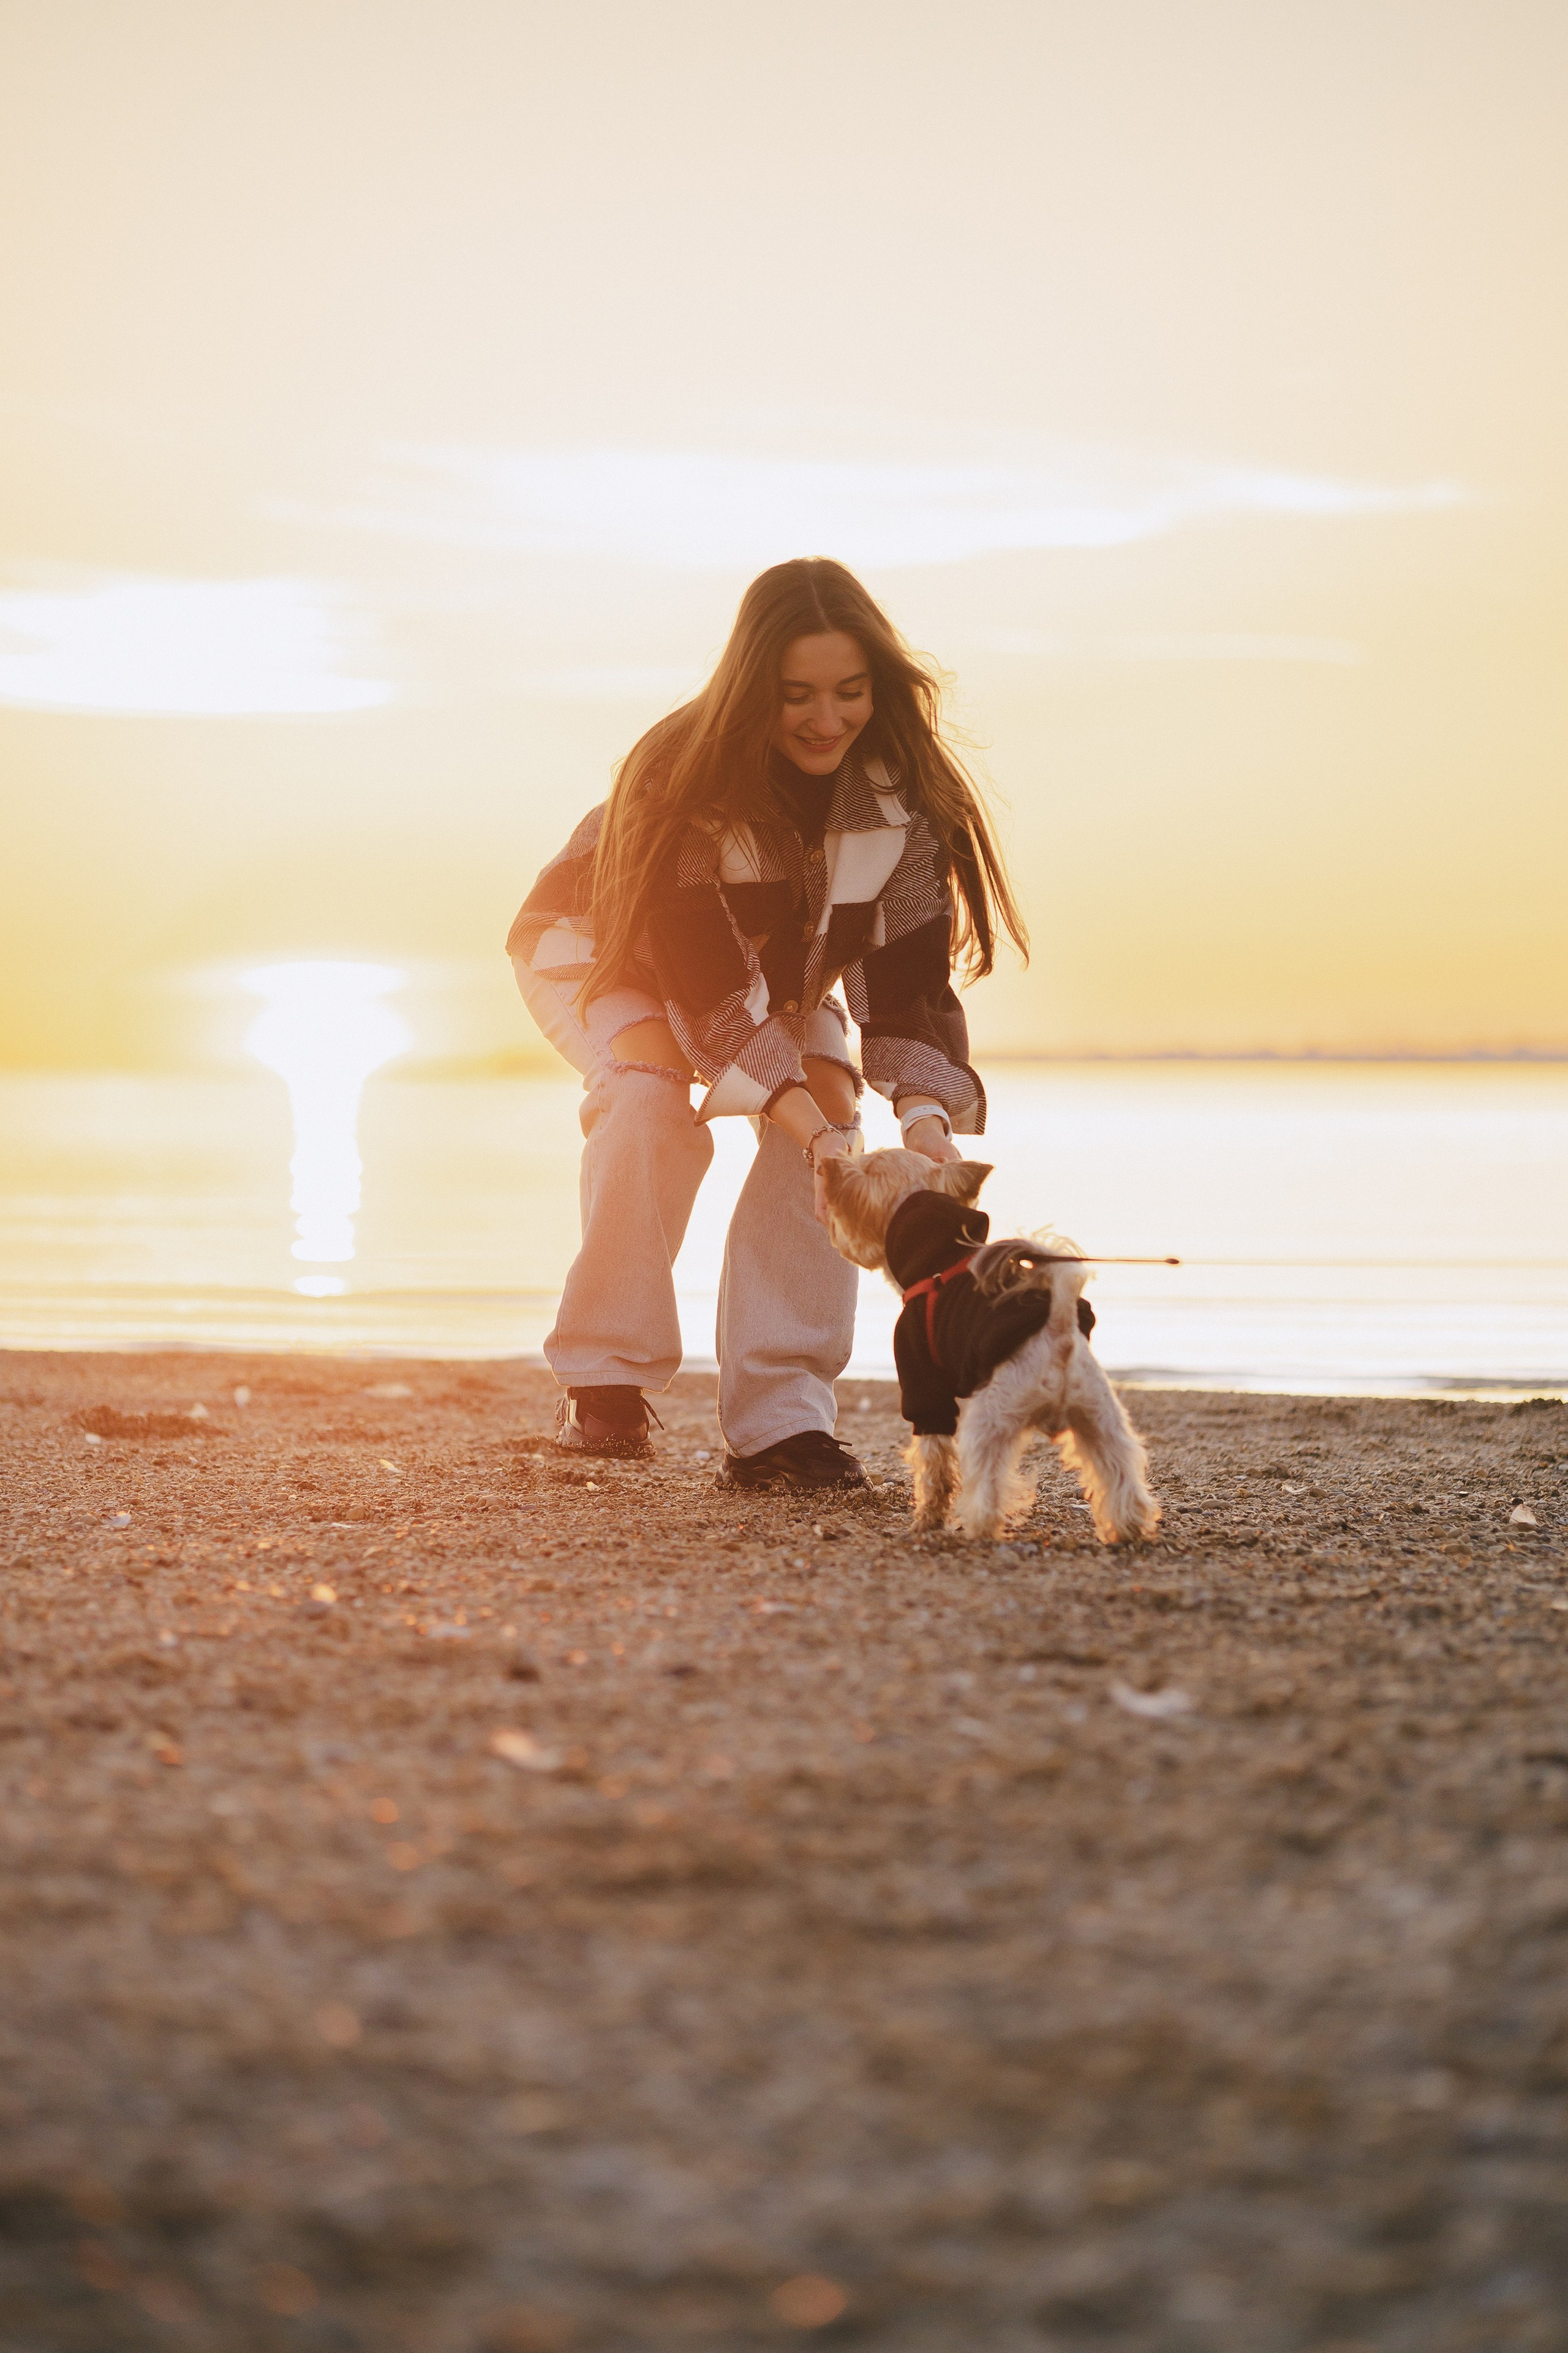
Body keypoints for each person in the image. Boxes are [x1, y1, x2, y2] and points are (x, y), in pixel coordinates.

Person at [507, 557, 1027, 1489]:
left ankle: (781, 1418)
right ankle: (606, 1380)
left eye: (850, 692)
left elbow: (905, 988)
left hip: (774, 979)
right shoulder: (680, 772)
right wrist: (815, 1128)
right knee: (652, 1099)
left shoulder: (901, 798)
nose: (827, 720)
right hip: (604, 951)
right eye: (797, 695)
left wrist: (928, 1132)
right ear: (754, 687)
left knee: (829, 1137)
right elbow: (705, 999)